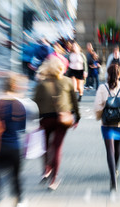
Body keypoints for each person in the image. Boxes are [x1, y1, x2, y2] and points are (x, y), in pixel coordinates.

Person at [34, 56, 81, 190]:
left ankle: (46, 169)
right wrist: (77, 117)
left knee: (45, 146)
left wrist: (38, 117)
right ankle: (54, 179)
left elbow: (35, 101)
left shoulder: (41, 84)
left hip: (45, 119)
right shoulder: (67, 81)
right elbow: (74, 101)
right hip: (62, 118)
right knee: (57, 147)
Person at [0, 73, 28, 207]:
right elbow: (22, 129)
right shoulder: (20, 105)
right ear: (15, 87)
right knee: (15, 177)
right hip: (14, 147)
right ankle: (18, 204)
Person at [94, 64, 120, 191]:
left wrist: (99, 115)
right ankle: (116, 169)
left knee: (109, 151)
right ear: (119, 75)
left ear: (108, 74)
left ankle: (113, 179)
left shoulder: (102, 88)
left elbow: (97, 106)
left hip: (107, 123)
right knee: (117, 148)